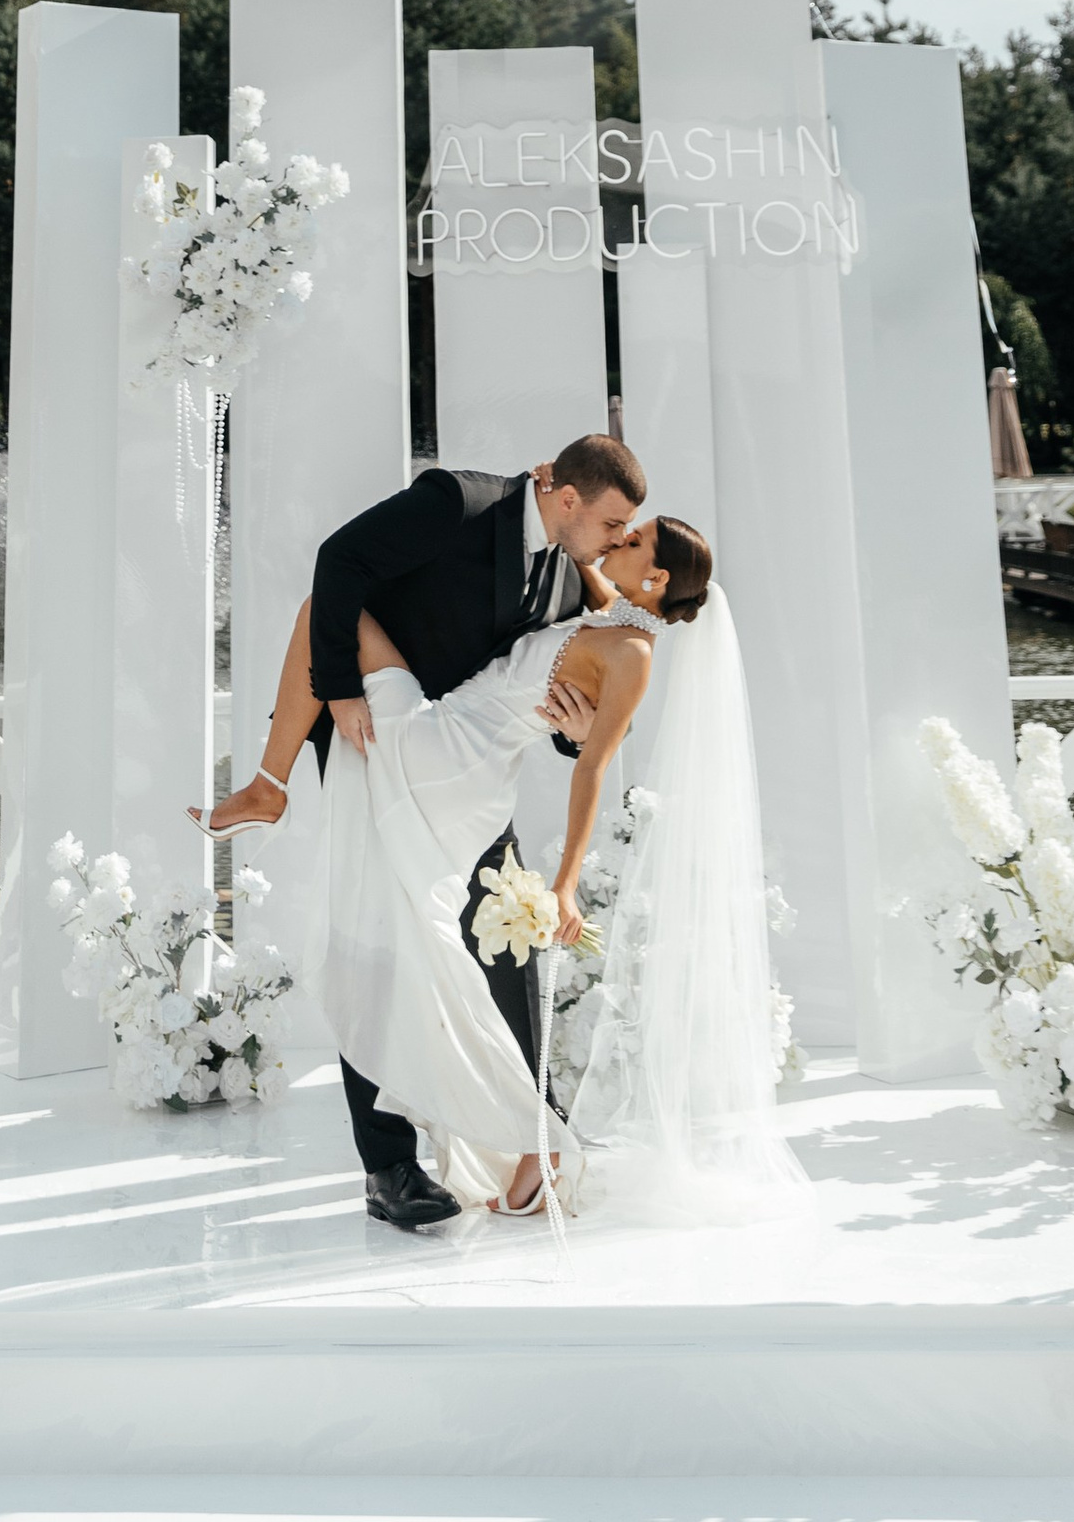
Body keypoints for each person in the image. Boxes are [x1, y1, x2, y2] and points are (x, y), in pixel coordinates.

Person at [207, 502, 709, 1222]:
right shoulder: (604, 603)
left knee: (329, 607)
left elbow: (594, 765)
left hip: (449, 756)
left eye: (631, 540)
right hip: (460, 754)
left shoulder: (633, 654)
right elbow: (577, 574)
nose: (615, 541)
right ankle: (531, 1136)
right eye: (615, 527)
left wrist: (564, 882)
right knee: (421, 945)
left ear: (655, 576)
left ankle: (269, 784)